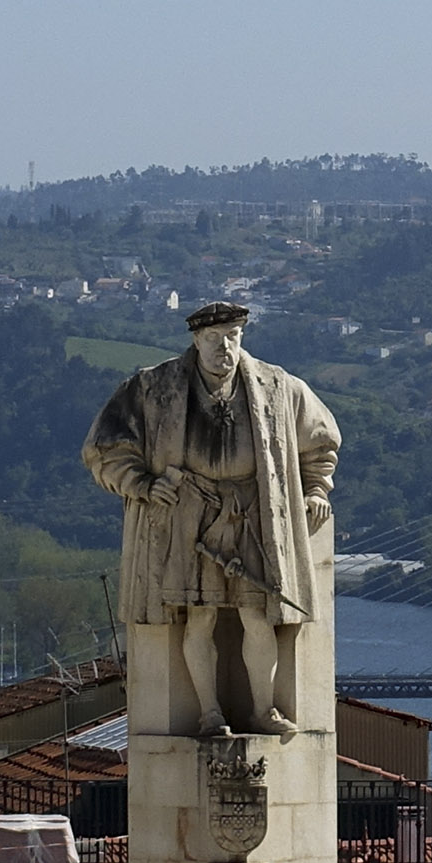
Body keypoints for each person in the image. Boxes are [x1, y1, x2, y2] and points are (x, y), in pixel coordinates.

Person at [83, 301, 340, 737]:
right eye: (215, 339)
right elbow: (105, 447)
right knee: (198, 615)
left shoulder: (279, 387)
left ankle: (262, 710)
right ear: (196, 340)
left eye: (233, 337)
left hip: (256, 517)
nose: (225, 347)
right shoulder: (154, 387)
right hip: (187, 516)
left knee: (257, 615)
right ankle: (209, 714)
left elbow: (319, 444)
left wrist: (315, 490)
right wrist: (142, 484)